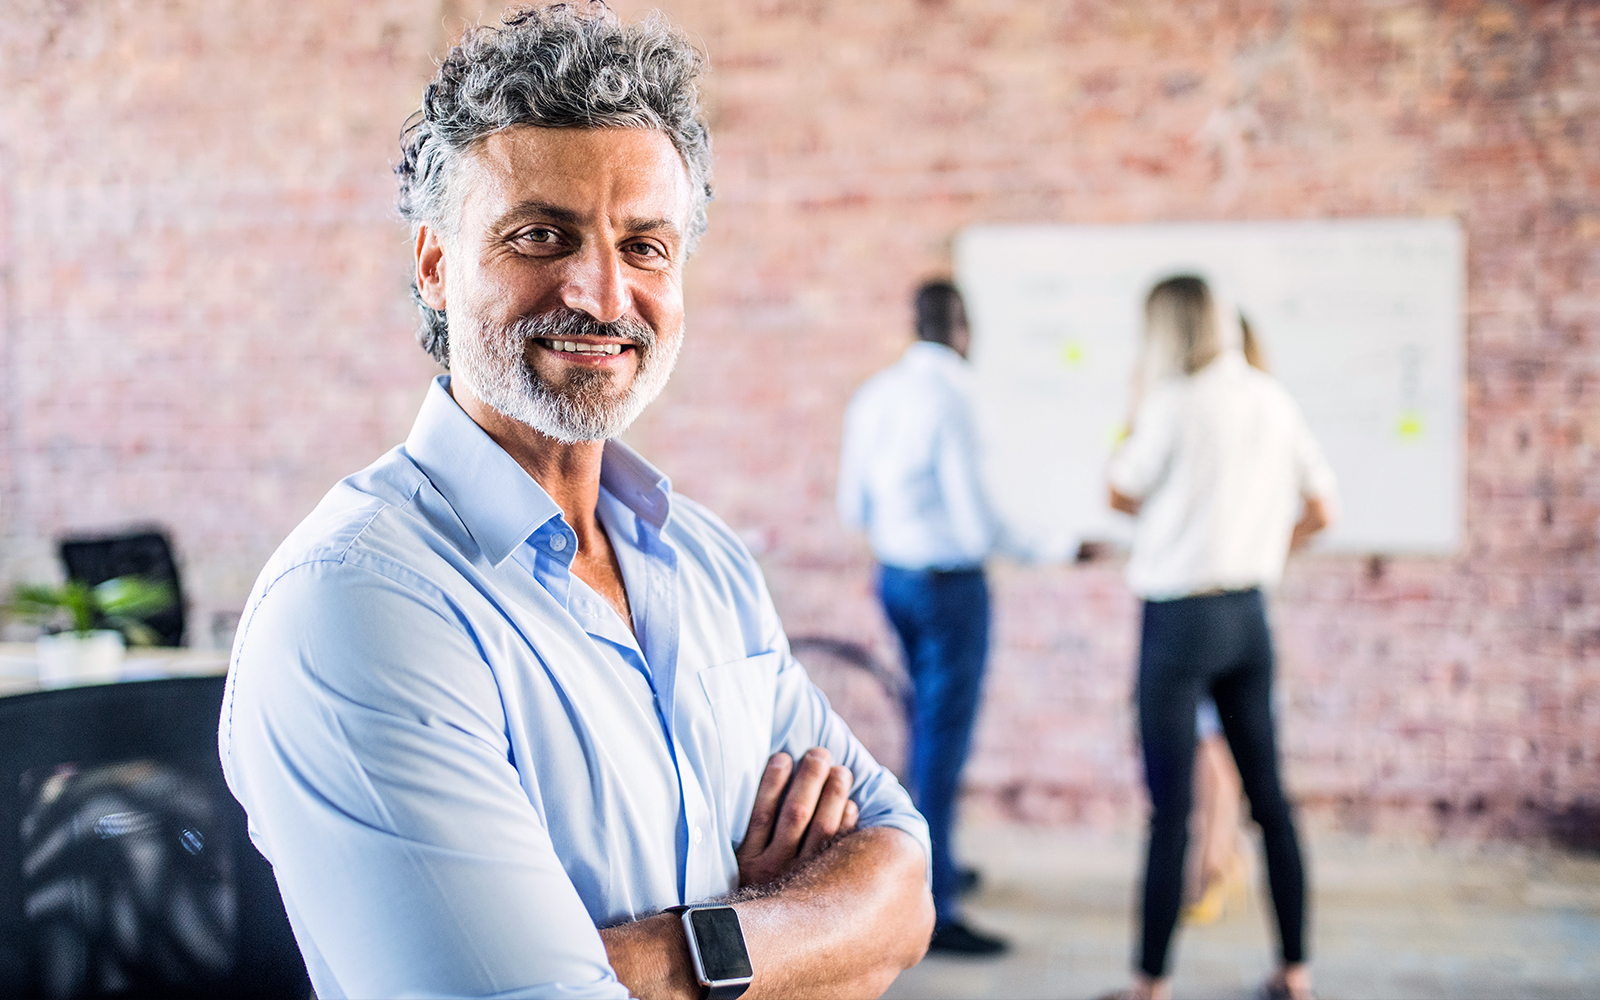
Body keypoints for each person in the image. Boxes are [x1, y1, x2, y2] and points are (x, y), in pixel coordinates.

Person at [218, 7, 934, 999]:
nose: (601, 293)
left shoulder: (701, 557)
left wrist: (669, 959)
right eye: (542, 235)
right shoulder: (357, 605)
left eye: (645, 246)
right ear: (433, 263)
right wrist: (798, 933)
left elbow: (900, 883)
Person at [1104, 276, 1337, 1000]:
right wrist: (1264, 551)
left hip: (1177, 624)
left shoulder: (1172, 402)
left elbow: (1117, 492)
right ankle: (1294, 975)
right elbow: (1323, 510)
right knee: (1270, 802)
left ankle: (1149, 988)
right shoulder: (1272, 397)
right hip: (1247, 617)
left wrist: (1132, 405)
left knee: (1169, 811)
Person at [836, 280, 1009, 956]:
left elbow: (855, 507)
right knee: (943, 741)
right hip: (950, 586)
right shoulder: (958, 397)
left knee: (924, 729)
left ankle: (938, 857)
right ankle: (932, 899)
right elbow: (975, 525)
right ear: (963, 329)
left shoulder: (878, 393)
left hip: (896, 579)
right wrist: (1055, 547)